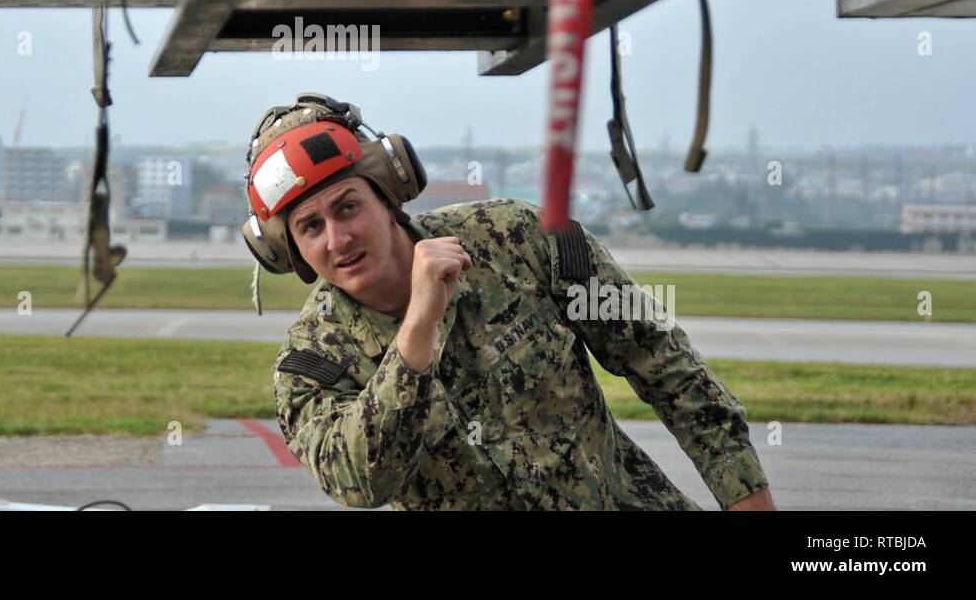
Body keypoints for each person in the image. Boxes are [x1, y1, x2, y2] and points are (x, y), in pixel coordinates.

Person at [242, 92, 776, 511]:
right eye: (311, 227)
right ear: (290, 252)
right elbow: (360, 480)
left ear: (387, 195)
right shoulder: (311, 364)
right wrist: (417, 332)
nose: (338, 239)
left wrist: (744, 493)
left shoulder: (517, 237)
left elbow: (661, 362)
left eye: (348, 206)